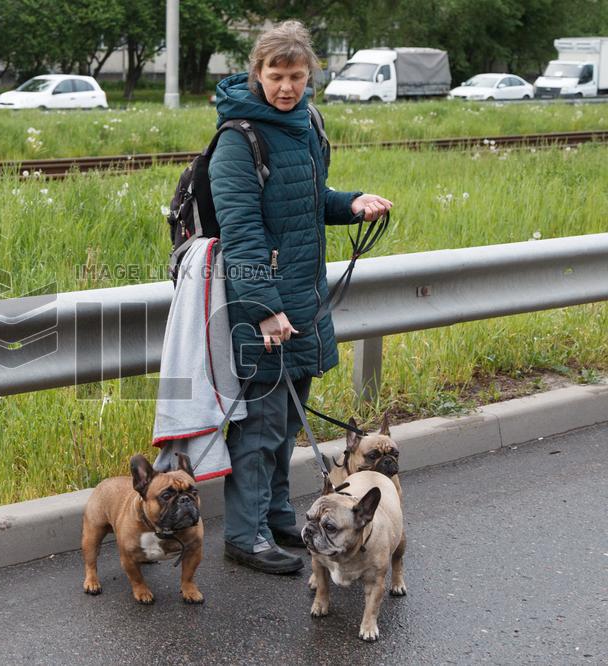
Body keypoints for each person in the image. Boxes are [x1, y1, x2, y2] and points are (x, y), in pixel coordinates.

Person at [209, 20, 392, 574]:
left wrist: (351, 203)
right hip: (263, 306)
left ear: (310, 75)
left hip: (306, 300)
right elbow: (241, 234)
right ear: (256, 73)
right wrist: (265, 310)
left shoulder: (308, 122)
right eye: (275, 75)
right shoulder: (239, 141)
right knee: (259, 424)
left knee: (287, 420)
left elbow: (308, 203)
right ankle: (244, 534)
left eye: (296, 75)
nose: (286, 86)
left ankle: (279, 516)